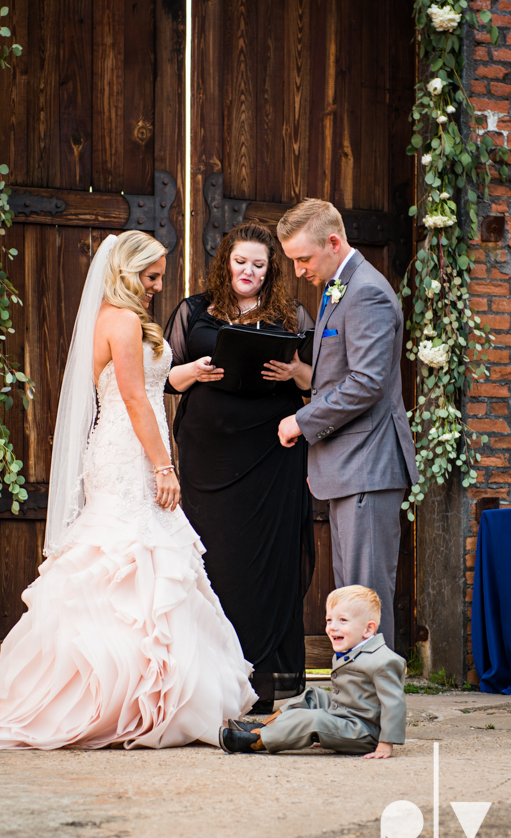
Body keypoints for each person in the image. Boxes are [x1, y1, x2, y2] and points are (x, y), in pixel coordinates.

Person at [0, 231, 256, 751]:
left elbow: (145, 383)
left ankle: (138, 693)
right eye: (149, 277)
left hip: (123, 448)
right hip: (129, 453)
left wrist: (183, 373)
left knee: (142, 563)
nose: (156, 286)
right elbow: (132, 398)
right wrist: (163, 467)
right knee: (128, 561)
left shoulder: (110, 318)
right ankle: (122, 697)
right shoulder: (123, 321)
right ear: (125, 272)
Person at [164, 222, 315, 713]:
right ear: (225, 260)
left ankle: (266, 683)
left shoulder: (291, 314)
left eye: (258, 264)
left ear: (271, 270)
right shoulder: (193, 310)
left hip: (273, 453)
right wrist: (193, 371)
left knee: (265, 564)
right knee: (217, 562)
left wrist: (295, 372)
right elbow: (166, 379)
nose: (248, 271)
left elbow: (322, 380)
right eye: (240, 261)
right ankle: (211, 686)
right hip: (210, 456)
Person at [275, 200, 419, 650]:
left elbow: (367, 382)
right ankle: (358, 704)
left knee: (364, 598)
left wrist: (302, 420)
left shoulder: (368, 291)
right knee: (353, 598)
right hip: (348, 466)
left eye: (304, 259)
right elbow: (340, 374)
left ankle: (374, 711)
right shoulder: (340, 285)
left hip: (368, 466)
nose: (298, 271)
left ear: (334, 243)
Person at [220, 585, 406, 757]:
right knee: (313, 696)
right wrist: (330, 732)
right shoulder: (350, 649)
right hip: (344, 715)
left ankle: (256, 741)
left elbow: (394, 704)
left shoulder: (384, 661)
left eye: (343, 620)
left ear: (368, 629)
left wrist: (385, 743)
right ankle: (263, 727)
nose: (333, 626)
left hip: (362, 732)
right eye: (329, 620)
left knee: (314, 719)